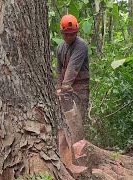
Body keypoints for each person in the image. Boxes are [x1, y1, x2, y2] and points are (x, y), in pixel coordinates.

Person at [56, 14, 90, 142]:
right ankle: (67, 143)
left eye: (72, 34)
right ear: (62, 33)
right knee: (65, 117)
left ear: (76, 32)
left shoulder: (81, 45)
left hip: (80, 86)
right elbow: (59, 70)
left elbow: (73, 67)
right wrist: (59, 87)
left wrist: (64, 86)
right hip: (66, 87)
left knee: (78, 115)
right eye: (67, 34)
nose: (70, 37)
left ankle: (80, 146)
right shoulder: (60, 48)